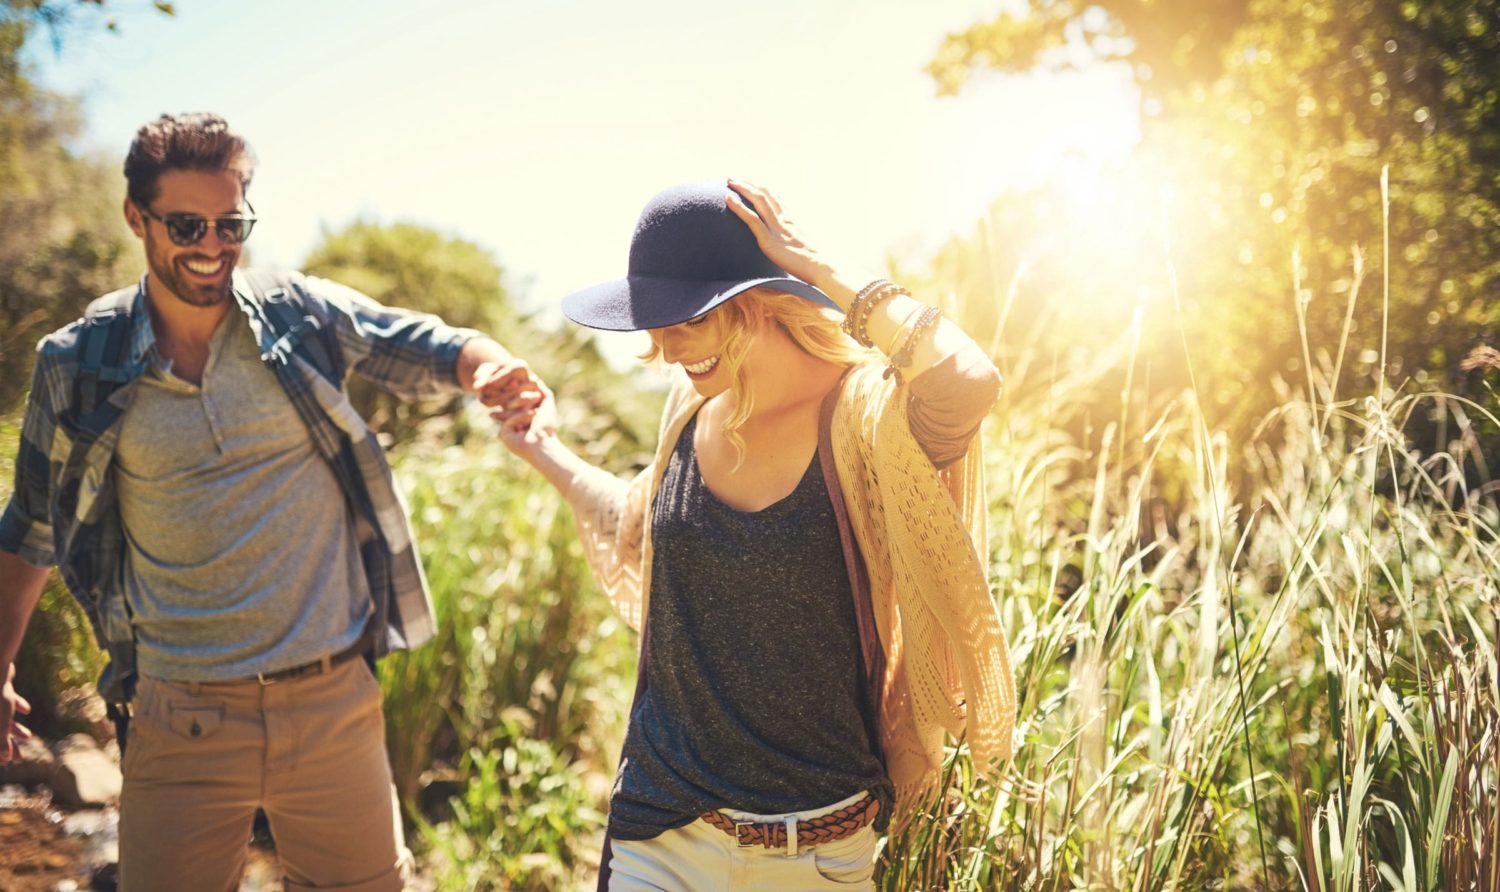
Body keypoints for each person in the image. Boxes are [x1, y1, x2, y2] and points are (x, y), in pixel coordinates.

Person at [0, 112, 548, 891]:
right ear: (136, 218)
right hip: (177, 717)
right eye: (187, 224)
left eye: (231, 223)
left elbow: (422, 343)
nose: (213, 245)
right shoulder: (79, 361)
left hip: (330, 706)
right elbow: (30, 531)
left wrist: (493, 369)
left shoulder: (297, 313)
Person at [490, 180, 1016, 891]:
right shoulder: (688, 407)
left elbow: (968, 381)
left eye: (687, 322)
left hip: (820, 852)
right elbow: (639, 529)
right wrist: (542, 448)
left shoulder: (863, 421)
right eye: (657, 326)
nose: (669, 349)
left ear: (757, 300)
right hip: (661, 828)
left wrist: (817, 268)